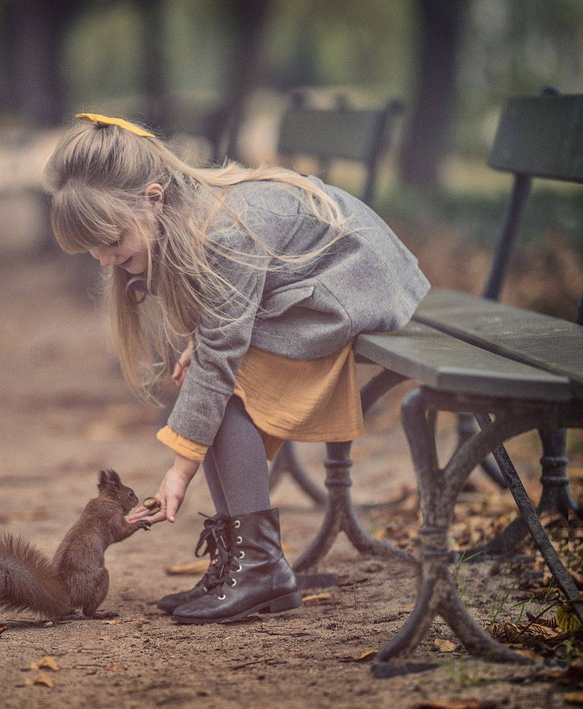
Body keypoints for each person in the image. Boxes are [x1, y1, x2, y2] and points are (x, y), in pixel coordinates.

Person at [43, 112, 430, 624]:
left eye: (112, 242)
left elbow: (222, 351)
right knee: (207, 377)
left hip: (355, 288)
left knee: (223, 384)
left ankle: (261, 566)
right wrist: (203, 350)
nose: (104, 260)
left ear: (152, 198)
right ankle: (239, 560)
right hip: (312, 286)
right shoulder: (183, 219)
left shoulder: (221, 231)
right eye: (93, 249)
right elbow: (221, 328)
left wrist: (179, 471)